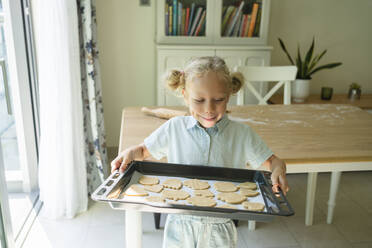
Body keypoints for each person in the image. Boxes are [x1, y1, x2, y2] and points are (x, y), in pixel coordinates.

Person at [111, 56, 289, 248]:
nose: (209, 109)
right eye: (199, 100)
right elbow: (144, 151)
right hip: (179, 225)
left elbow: (274, 162)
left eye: (218, 100)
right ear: (185, 95)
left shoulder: (242, 134)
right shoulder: (174, 128)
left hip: (220, 229)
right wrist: (129, 152)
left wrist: (278, 170)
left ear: (229, 95)